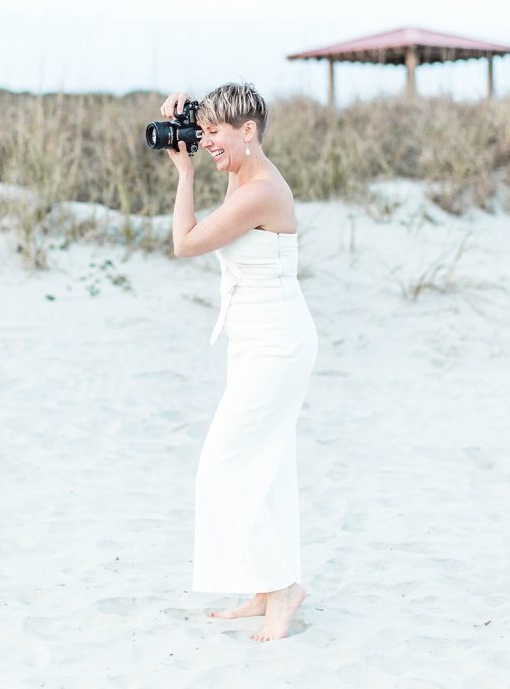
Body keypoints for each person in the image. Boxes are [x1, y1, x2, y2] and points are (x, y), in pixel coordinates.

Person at [160, 82, 318, 642]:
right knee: (265, 467)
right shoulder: (243, 172)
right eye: (200, 134)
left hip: (277, 344)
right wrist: (186, 112)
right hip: (254, 341)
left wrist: (184, 177)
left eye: (214, 134)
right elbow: (216, 124)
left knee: (223, 466)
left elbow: (186, 242)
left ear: (249, 131)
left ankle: (283, 590)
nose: (203, 144)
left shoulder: (260, 192)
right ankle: (264, 586)